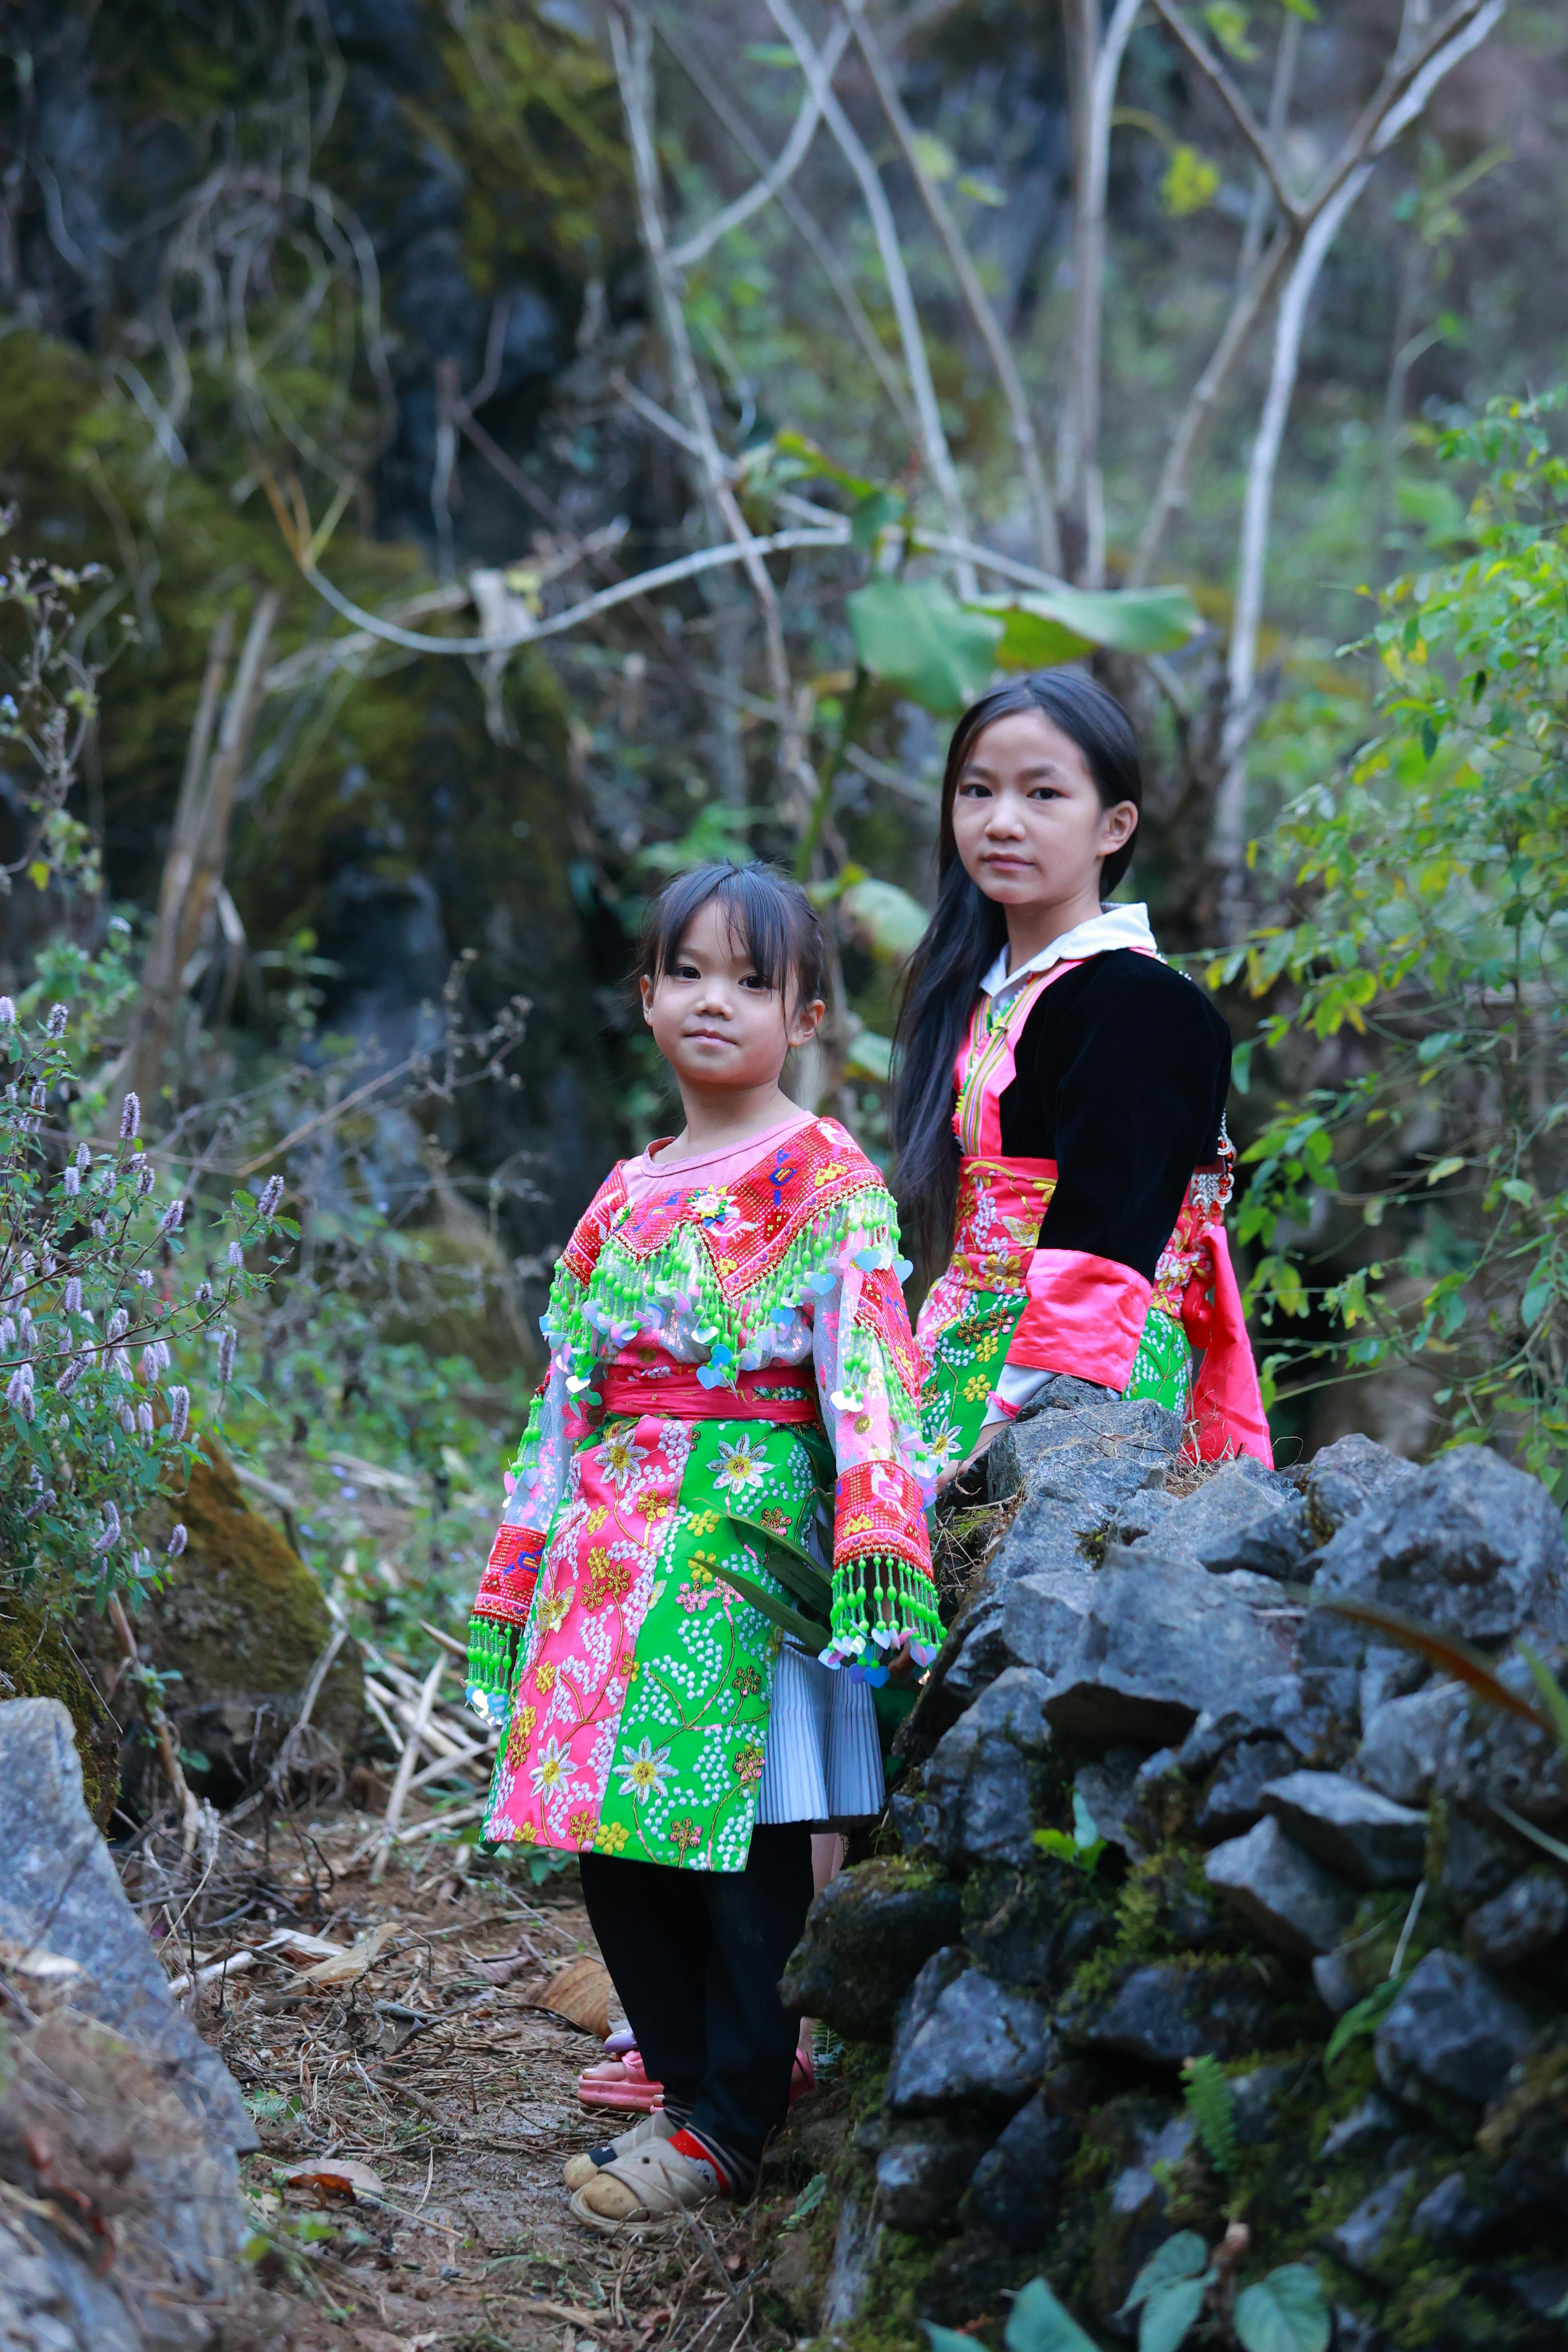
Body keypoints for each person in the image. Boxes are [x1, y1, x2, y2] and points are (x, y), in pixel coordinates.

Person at [465, 862, 940, 2235]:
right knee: (608, 1842)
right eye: (687, 973)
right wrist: (525, 1547)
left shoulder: (826, 1172)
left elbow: (866, 1365)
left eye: (751, 980)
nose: (713, 1001)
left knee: (742, 1843)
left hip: (747, 1545)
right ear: (646, 999)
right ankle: (686, 2094)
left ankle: (732, 2121)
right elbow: (567, 1389)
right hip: (608, 1554)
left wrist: (875, 1527)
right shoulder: (621, 1194)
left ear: (805, 1016)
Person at [891, 671, 1271, 1479]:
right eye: (977, 790)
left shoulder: (1142, 1005)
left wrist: (1018, 1424)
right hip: (956, 1354)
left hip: (1085, 1384)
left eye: (1042, 794)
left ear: (1115, 825)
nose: (1002, 821)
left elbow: (1107, 1242)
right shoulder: (978, 994)